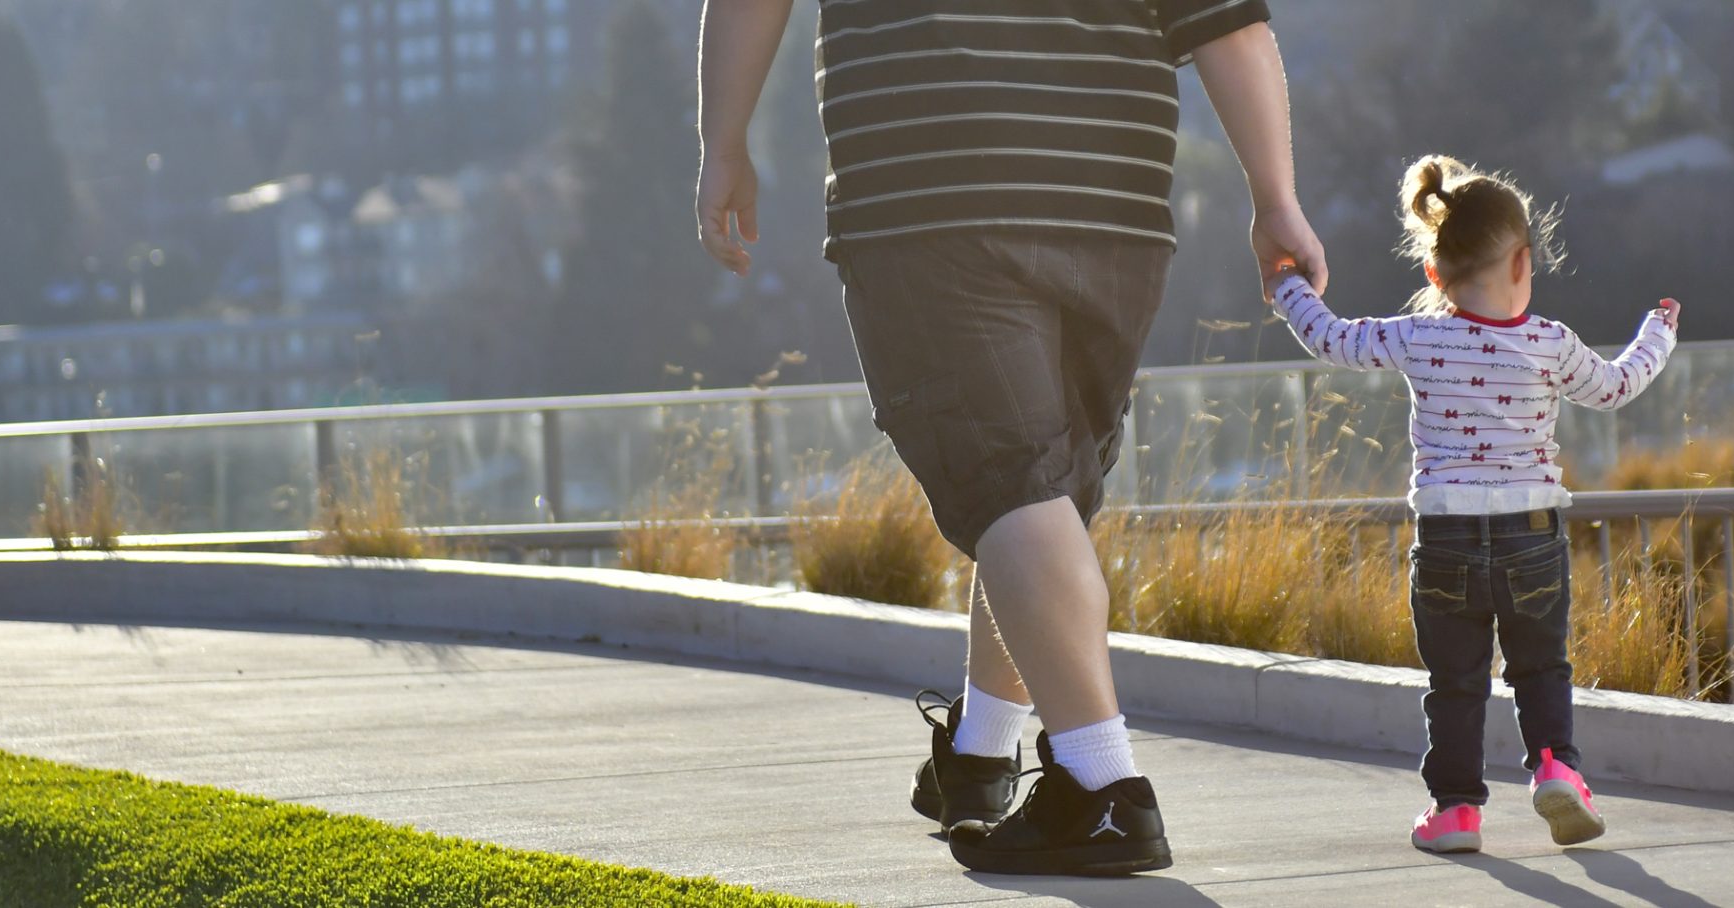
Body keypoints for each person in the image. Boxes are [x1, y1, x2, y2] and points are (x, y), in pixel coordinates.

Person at [697, 0, 1326, 876]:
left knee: (1013, 488)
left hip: (932, 193)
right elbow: (1227, 21)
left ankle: (1102, 789)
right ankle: (983, 751)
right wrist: (1274, 198)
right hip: (1114, 207)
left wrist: (723, 143)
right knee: (1039, 494)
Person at [1266, 154, 1681, 854]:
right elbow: (1616, 386)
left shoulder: (1418, 335)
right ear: (1523, 261)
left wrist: (1287, 286)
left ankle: (1456, 811)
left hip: (1447, 536)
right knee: (1541, 667)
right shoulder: (1551, 343)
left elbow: (1331, 338)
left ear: (1434, 273)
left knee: (1455, 683)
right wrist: (1658, 332)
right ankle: (1556, 768)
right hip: (1532, 533)